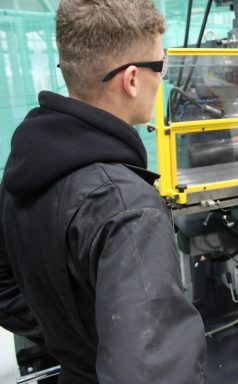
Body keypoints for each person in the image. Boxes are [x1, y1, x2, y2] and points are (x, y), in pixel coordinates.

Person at [0, 0, 206, 383]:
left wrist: (72, 337)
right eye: (159, 67)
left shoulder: (24, 165)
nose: (161, 79)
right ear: (131, 79)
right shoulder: (127, 208)